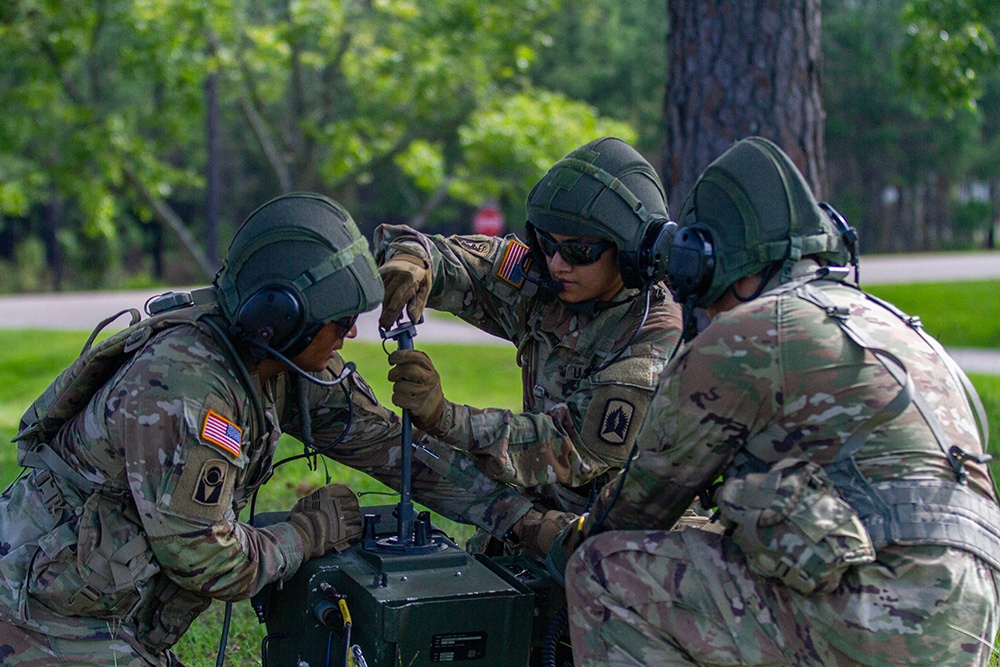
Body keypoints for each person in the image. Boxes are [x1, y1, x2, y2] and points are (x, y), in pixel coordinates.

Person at [0, 193, 533, 665]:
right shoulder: (183, 389)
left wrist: (523, 520)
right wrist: (307, 533)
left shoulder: (279, 362)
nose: (351, 331)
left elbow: (391, 449)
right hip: (44, 619)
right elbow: (209, 561)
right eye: (339, 318)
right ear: (285, 316)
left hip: (108, 616)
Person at [557, 137, 1000, 665]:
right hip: (969, 614)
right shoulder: (893, 325)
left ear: (707, 261)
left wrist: (558, 538)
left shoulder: (747, 335)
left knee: (604, 570)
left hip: (881, 617)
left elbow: (639, 507)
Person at [373, 137, 684, 553]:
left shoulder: (655, 334)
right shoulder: (549, 280)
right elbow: (454, 257)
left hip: (621, 541)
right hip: (536, 512)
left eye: (578, 250)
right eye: (547, 244)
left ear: (634, 253)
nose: (557, 262)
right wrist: (414, 259)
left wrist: (445, 417)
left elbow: (568, 448)